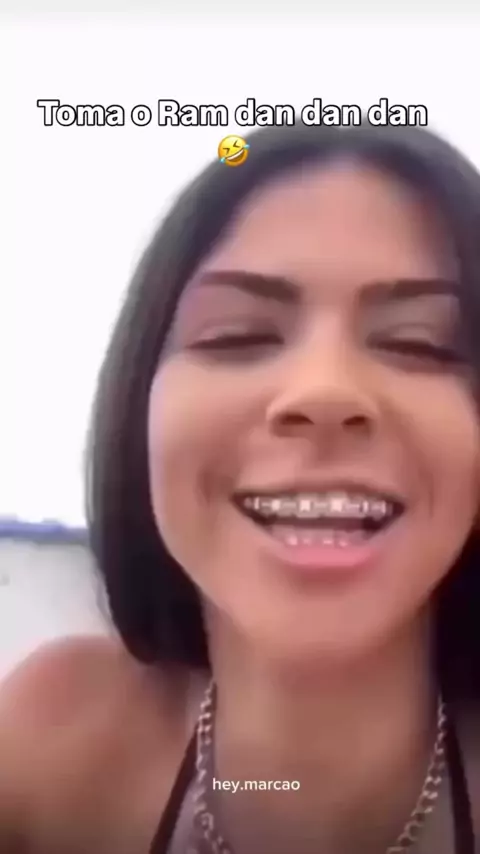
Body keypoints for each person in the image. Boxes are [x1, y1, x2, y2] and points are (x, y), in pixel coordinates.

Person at [1, 120, 480, 854]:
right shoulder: (48, 740)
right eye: (237, 336)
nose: (322, 391)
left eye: (419, 343)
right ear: (139, 402)